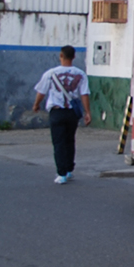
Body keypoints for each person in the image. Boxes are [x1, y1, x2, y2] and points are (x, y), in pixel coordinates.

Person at [32, 45, 91, 185]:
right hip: (72, 113)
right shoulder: (81, 74)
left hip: (57, 112)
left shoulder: (51, 73)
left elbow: (41, 92)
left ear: (61, 56)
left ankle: (61, 173)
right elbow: (84, 94)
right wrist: (87, 112)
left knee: (59, 142)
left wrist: (36, 104)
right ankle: (69, 169)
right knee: (70, 140)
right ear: (74, 57)